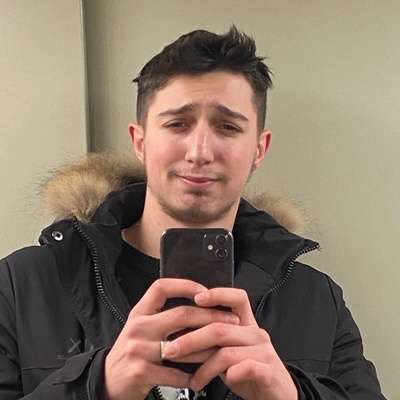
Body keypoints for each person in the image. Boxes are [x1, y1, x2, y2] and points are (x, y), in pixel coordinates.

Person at [0, 26, 385, 400]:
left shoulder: (317, 301)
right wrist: (96, 389)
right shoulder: (20, 287)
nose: (200, 151)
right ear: (140, 142)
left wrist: (289, 395)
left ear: (259, 150)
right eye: (178, 124)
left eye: (228, 127)